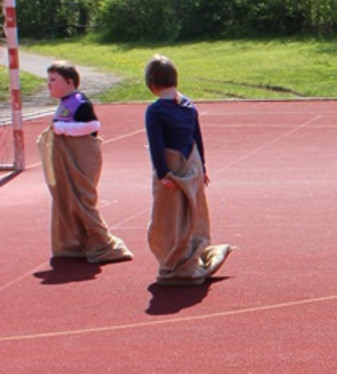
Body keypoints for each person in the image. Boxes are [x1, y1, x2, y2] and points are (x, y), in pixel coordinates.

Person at [143, 55, 232, 286]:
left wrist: (163, 174)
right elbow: (197, 138)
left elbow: (156, 145)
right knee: (192, 215)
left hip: (171, 171)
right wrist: (202, 168)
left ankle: (174, 263)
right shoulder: (188, 106)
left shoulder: (155, 111)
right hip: (191, 168)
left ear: (152, 83)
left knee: (169, 219)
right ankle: (190, 256)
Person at [37, 61, 134, 265]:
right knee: (68, 201)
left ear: (70, 81)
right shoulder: (64, 103)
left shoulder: (80, 102)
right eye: (49, 80)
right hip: (67, 161)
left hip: (82, 161)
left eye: (54, 80)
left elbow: (92, 126)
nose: (49, 85)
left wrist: (61, 129)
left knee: (83, 201)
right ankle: (75, 244)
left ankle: (104, 245)